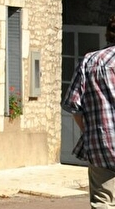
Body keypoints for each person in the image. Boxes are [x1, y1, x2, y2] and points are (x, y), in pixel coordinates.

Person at [66, 15, 115, 209]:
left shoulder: (90, 61)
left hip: (102, 144)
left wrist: (90, 132)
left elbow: (74, 106)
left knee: (103, 203)